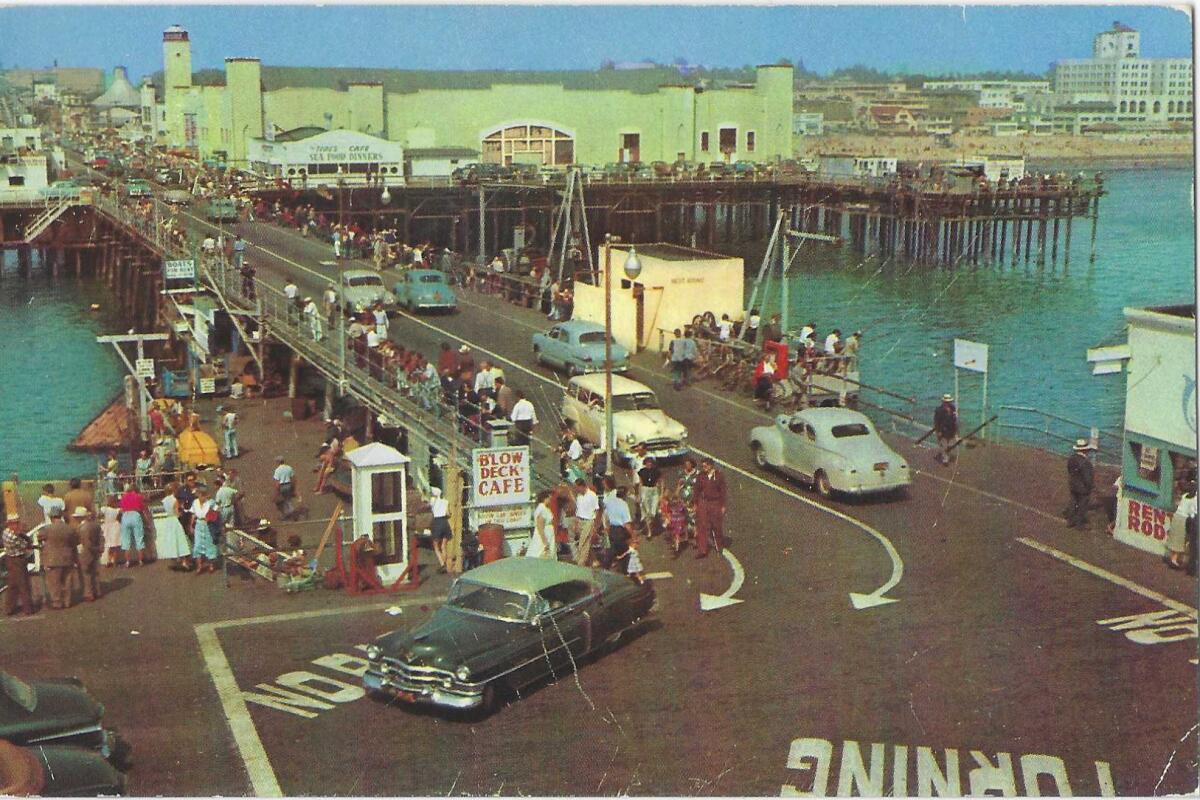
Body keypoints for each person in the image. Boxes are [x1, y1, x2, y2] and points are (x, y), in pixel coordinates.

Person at [39, 507, 79, 610]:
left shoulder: (47, 529)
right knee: (67, 580)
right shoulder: (69, 528)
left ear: (51, 517)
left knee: (54, 582)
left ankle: (57, 602)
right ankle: (67, 601)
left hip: (52, 559)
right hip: (67, 557)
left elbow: (40, 538)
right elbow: (75, 541)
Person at [3, 513, 36, 616]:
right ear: (10, 524)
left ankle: (9, 608)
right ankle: (28, 609)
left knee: (12, 585)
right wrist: (23, 534)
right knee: (23, 584)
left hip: (12, 560)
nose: (17, 525)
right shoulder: (12, 536)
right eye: (15, 523)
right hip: (17, 560)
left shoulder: (6, 532)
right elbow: (25, 545)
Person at [694, 458, 727, 559]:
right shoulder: (701, 476)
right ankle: (702, 550)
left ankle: (719, 546)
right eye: (703, 466)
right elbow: (696, 490)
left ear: (711, 465)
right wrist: (695, 503)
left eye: (706, 466)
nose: (704, 468)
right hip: (704, 502)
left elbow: (723, 491)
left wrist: (723, 505)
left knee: (716, 525)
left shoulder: (719, 476)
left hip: (715, 503)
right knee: (702, 526)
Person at [155, 484, 193, 569]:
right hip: (175, 520)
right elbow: (177, 513)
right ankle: (184, 561)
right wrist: (182, 510)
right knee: (181, 540)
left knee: (173, 540)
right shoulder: (175, 500)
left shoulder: (164, 500)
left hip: (168, 520)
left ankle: (178, 559)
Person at [1165, 473, 1198, 570]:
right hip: (1183, 518)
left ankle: (1173, 558)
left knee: (1175, 538)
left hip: (1177, 516)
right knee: (1180, 539)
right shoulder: (1194, 499)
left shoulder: (1184, 496)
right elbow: (1192, 512)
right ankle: (1174, 560)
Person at [72, 507, 104, 602]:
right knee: (95, 573)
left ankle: (88, 594)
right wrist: (99, 549)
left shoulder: (82, 528)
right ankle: (97, 591)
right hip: (95, 552)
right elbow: (101, 538)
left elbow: (86, 543)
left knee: (85, 574)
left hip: (85, 553)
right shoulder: (95, 525)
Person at [118, 482, 150, 567]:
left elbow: (121, 509)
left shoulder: (123, 497)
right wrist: (147, 521)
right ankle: (140, 561)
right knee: (139, 539)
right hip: (136, 515)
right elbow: (143, 510)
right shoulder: (139, 496)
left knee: (126, 541)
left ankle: (127, 562)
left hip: (125, 516)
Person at [603, 482, 633, 573]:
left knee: (613, 551)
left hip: (612, 530)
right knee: (626, 553)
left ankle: (606, 569)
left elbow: (606, 517)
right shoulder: (624, 505)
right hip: (620, 532)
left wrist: (607, 530)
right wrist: (632, 536)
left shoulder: (610, 502)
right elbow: (627, 524)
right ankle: (624, 573)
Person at [1066, 439, 1095, 529]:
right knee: (1082, 505)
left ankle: (1070, 521)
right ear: (1085, 450)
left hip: (1073, 484)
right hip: (1083, 488)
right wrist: (1091, 486)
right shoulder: (1086, 463)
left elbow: (1069, 470)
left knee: (1073, 502)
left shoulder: (1071, 459)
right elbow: (1087, 478)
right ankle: (1079, 524)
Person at [189, 487, 220, 573]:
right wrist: (191, 525)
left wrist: (211, 517)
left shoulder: (210, 503)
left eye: (204, 495)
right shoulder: (195, 503)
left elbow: (218, 511)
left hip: (208, 525)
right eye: (200, 495)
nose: (202, 497)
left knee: (209, 544)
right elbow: (193, 514)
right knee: (198, 545)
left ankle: (211, 565)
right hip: (199, 525)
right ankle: (199, 566)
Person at [571, 478, 600, 566]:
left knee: (582, 544)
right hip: (580, 521)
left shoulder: (592, 495)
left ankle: (581, 564)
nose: (576, 490)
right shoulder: (579, 496)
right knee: (586, 544)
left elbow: (596, 510)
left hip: (588, 521)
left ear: (582, 486)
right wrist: (575, 523)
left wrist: (595, 525)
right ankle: (594, 560)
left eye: (577, 488)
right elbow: (578, 510)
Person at [637, 456, 662, 537]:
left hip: (654, 490)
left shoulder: (657, 472)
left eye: (651, 462)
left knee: (653, 512)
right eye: (648, 462)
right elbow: (640, 483)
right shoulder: (641, 471)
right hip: (645, 490)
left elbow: (660, 482)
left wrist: (661, 493)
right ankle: (649, 530)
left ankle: (652, 525)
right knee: (646, 511)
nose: (649, 464)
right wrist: (639, 494)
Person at [429, 487, 452, 572]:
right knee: (443, 546)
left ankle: (442, 564)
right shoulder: (446, 501)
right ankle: (445, 564)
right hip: (445, 522)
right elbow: (448, 513)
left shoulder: (432, 501)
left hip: (437, 522)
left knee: (436, 546)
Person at [527, 490, 555, 559]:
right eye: (549, 498)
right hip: (544, 535)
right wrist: (545, 542)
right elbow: (540, 527)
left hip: (549, 534)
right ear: (544, 498)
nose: (550, 500)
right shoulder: (541, 509)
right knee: (539, 552)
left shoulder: (546, 508)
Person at [933, 394, 958, 466]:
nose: (948, 403)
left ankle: (947, 455)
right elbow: (936, 421)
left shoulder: (953, 408)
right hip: (943, 430)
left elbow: (954, 420)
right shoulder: (939, 410)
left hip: (951, 430)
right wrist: (938, 431)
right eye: (946, 402)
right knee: (944, 445)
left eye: (949, 402)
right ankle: (945, 459)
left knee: (950, 444)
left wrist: (956, 430)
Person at [99, 494, 122, 567]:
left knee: (109, 544)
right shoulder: (117, 510)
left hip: (107, 526)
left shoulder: (104, 509)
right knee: (114, 545)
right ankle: (114, 561)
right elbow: (119, 518)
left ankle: (108, 560)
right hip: (115, 526)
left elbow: (99, 515)